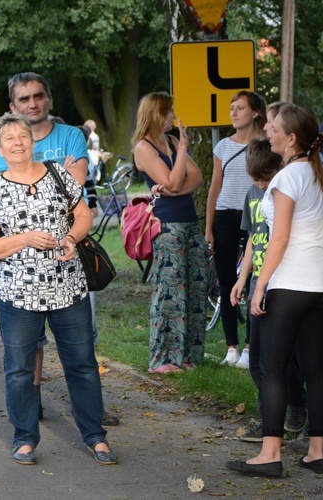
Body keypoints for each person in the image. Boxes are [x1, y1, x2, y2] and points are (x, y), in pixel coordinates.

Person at [0, 113, 116, 466]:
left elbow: (84, 216)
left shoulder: (58, 175)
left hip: (68, 289)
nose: (18, 142)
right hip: (19, 296)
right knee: (20, 369)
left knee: (82, 364)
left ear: (32, 140)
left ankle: (96, 437)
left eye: (22, 135)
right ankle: (24, 439)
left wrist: (70, 237)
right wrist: (25, 239)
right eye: (9, 138)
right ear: (0, 147)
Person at [226, 104, 323, 478]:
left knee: (271, 367)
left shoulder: (286, 178)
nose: (267, 133)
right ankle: (316, 453)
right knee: (315, 368)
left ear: (291, 139)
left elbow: (280, 239)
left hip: (291, 283)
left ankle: (270, 454)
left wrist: (260, 285)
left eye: (273, 129)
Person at [0, 72, 91, 420]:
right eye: (24, 99)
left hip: (69, 256)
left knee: (81, 345)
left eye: (38, 96)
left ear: (49, 99)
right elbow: (1, 197)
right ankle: (31, 402)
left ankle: (88, 410)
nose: (32, 103)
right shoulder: (5, 145)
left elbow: (74, 190)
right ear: (13, 106)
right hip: (22, 268)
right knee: (28, 345)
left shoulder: (71, 135)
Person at [132, 92, 206, 373]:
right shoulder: (144, 147)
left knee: (196, 289)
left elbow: (194, 178)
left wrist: (176, 186)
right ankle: (164, 359)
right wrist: (183, 153)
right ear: (155, 114)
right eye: (168, 111)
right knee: (171, 291)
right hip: (168, 225)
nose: (173, 116)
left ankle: (189, 356)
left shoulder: (173, 141)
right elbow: (173, 180)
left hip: (189, 222)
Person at [229, 138, 287, 442]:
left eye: (264, 178)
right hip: (256, 286)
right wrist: (242, 279)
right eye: (255, 179)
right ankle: (269, 418)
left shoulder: (283, 191)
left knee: (280, 361)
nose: (260, 184)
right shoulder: (254, 193)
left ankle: (288, 413)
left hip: (282, 283)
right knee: (257, 361)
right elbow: (252, 236)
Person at [205, 91, 267, 368]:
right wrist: (209, 227)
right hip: (226, 216)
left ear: (255, 113)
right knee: (226, 280)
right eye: (232, 108)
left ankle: (251, 346)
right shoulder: (223, 148)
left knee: (255, 280)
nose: (233, 112)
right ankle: (231, 347)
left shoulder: (267, 144)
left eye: (240, 108)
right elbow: (214, 189)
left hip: (257, 216)